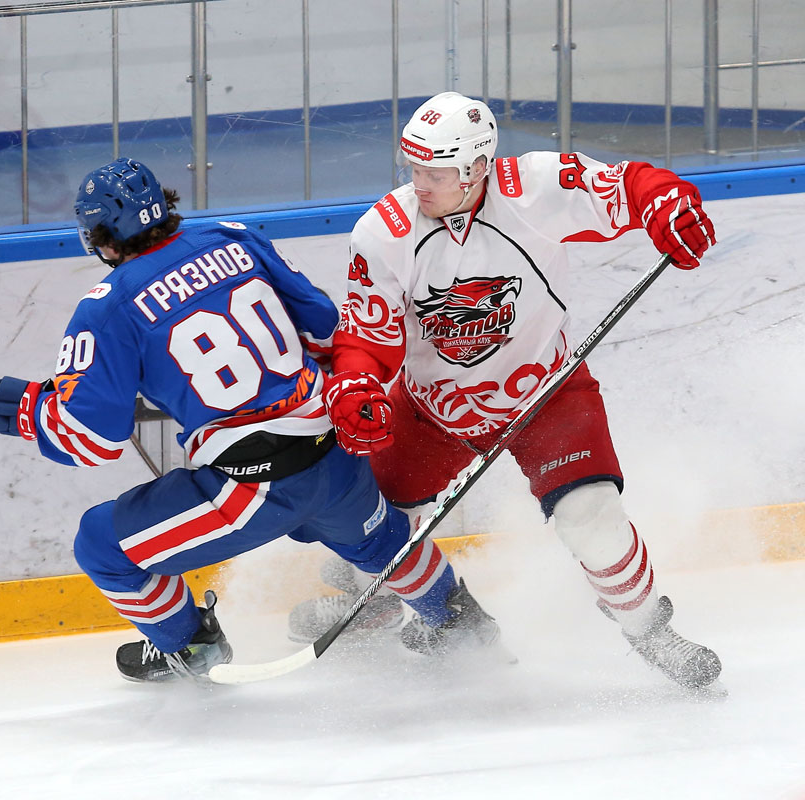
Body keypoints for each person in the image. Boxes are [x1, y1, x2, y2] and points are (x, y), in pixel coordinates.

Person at [0, 157, 494, 683]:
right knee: (378, 539)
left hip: (250, 492)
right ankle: (461, 624)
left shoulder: (106, 308)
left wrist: (30, 409)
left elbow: (89, 440)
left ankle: (191, 646)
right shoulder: (234, 238)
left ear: (102, 239)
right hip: (336, 460)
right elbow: (324, 331)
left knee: (101, 544)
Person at [307, 90, 722, 689]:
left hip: (547, 396)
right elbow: (368, 338)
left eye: (436, 172)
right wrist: (355, 386)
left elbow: (633, 184)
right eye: (413, 168)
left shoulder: (536, 187)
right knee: (373, 518)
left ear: (476, 166)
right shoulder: (383, 232)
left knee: (592, 519)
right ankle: (371, 601)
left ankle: (652, 633)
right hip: (434, 410)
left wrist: (668, 204)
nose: (419, 183)